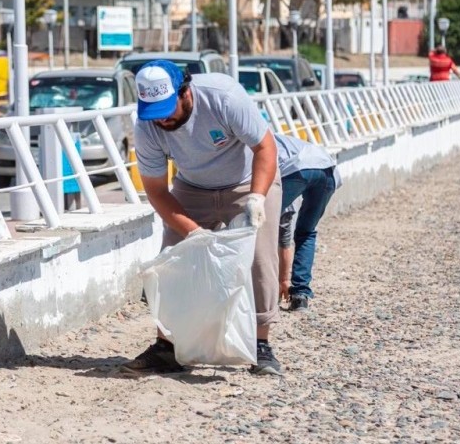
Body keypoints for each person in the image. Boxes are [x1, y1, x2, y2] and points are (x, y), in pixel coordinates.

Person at [122, 60, 284, 376]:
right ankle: (166, 346)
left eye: (167, 109)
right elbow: (156, 191)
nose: (163, 119)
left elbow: (265, 148)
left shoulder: (223, 96)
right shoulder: (146, 127)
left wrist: (256, 197)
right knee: (173, 259)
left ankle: (261, 344)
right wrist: (193, 232)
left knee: (260, 258)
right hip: (192, 186)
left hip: (248, 180)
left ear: (186, 91)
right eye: (155, 113)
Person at [275, 133, 341, 312]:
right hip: (328, 169)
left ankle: (260, 294)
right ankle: (300, 297)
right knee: (306, 232)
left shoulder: (249, 144)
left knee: (262, 228)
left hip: (298, 168)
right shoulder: (276, 137)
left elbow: (282, 220)